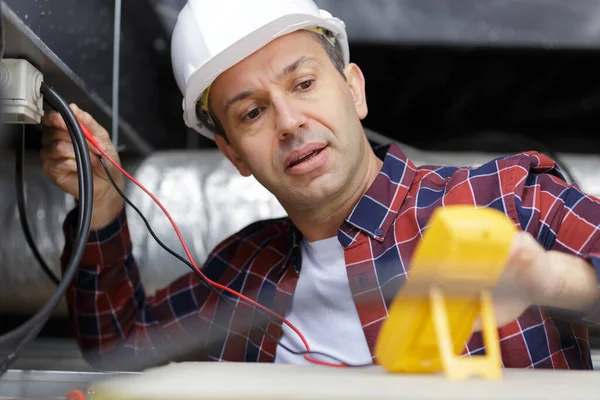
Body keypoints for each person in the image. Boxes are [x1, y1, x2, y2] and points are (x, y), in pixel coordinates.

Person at [41, 0, 600, 371]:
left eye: (304, 83)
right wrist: (105, 207)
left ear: (354, 90)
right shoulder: (240, 273)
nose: (289, 122)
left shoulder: (505, 199)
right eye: (253, 113)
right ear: (232, 152)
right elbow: (120, 348)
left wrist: (552, 279)